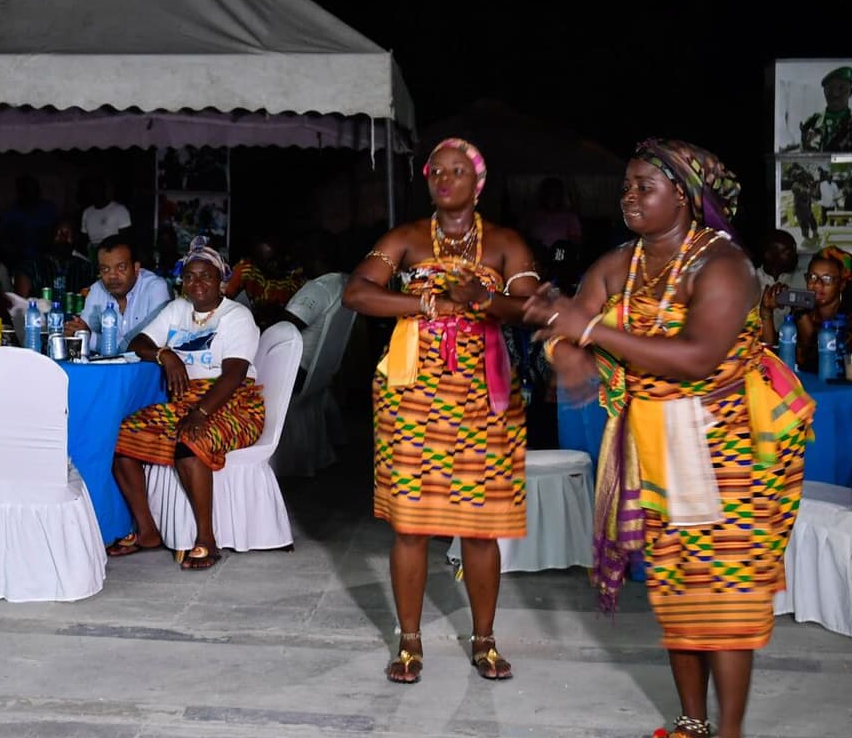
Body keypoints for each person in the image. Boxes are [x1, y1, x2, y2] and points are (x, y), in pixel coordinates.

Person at [522, 139, 812, 738]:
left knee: (723, 596)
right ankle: (691, 721)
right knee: (676, 593)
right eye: (625, 186)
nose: (628, 197)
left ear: (682, 195)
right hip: (652, 445)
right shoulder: (618, 263)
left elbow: (698, 355)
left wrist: (587, 332)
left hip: (723, 445)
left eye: (643, 186)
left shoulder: (723, 264)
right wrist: (563, 345)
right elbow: (573, 343)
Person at [345, 138, 541, 684]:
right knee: (411, 527)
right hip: (412, 399)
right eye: (438, 172)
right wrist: (426, 302)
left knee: (480, 529)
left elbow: (534, 309)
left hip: (485, 401)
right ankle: (409, 644)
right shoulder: (405, 239)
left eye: (459, 172)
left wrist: (483, 299)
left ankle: (484, 641)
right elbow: (357, 294)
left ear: (478, 183)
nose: (447, 180)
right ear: (428, 180)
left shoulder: (504, 243)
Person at [109, 241, 266, 569]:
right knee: (120, 437)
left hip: (233, 403)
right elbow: (139, 343)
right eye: (190, 277)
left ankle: (206, 539)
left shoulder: (236, 316)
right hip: (184, 402)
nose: (197, 284)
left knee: (190, 439)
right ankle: (148, 531)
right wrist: (165, 355)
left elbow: (234, 375)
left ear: (221, 280)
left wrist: (201, 413)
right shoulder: (177, 310)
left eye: (205, 277)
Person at [766, 246, 852, 386]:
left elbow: (829, 363)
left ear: (842, 284)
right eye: (812, 277)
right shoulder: (804, 309)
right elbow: (774, 355)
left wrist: (806, 325)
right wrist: (766, 313)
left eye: (827, 279)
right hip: (813, 390)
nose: (817, 284)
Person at [66, 233, 171, 348]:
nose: (112, 276)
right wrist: (77, 331)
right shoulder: (97, 290)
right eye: (105, 269)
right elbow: (83, 331)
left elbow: (146, 345)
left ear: (136, 268)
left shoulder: (156, 288)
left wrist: (90, 338)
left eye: (121, 267)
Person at [797, 66, 852, 152]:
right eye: (830, 88)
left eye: (841, 88)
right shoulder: (811, 124)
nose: (835, 94)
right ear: (824, 92)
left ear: (850, 92)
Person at [225, 240, 305, 329]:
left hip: (279, 328)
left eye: (276, 259)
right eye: (268, 261)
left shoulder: (294, 276)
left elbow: (296, 316)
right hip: (250, 325)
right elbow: (224, 298)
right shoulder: (246, 270)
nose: (274, 264)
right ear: (256, 261)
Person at [0, 175, 58, 277]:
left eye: (32, 189)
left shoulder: (48, 209)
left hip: (45, 261)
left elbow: (55, 234)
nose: (29, 193)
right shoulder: (11, 212)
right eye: (25, 190)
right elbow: (3, 240)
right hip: (19, 262)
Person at [18, 220, 96, 300]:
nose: (63, 237)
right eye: (58, 233)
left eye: (68, 233)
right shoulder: (32, 267)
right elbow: (21, 304)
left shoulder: (86, 268)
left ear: (75, 238)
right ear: (50, 236)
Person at [527, 177, 583, 252]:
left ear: (560, 195)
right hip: (536, 255)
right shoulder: (533, 215)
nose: (551, 197)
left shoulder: (569, 217)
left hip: (560, 256)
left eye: (555, 193)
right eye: (548, 193)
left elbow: (576, 242)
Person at [80, 177, 132, 248]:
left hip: (113, 253)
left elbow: (125, 239)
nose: (93, 193)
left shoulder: (119, 210)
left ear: (103, 190)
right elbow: (84, 238)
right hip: (93, 254)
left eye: (96, 189)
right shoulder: (87, 212)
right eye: (90, 190)